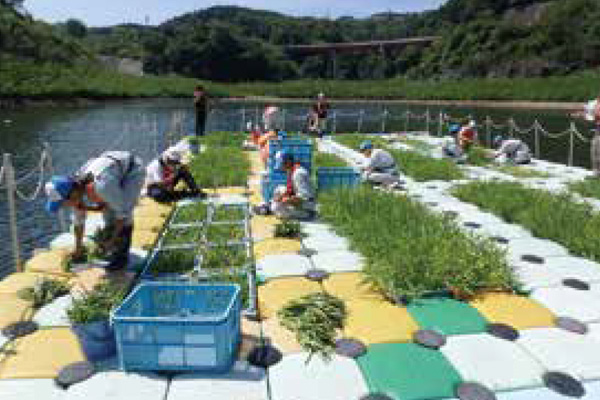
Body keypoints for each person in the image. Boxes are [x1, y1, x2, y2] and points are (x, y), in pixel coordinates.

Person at [44, 151, 145, 270]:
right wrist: (78, 249)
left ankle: (121, 257)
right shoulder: (76, 188)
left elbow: (122, 215)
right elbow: (78, 222)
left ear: (72, 194)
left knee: (124, 211)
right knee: (108, 216)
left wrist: (112, 240)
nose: (63, 207)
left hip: (131, 171)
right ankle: (114, 250)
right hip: (112, 173)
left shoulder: (102, 186)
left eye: (62, 203)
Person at [254, 150, 316, 220]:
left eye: (282, 163)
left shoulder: (298, 174)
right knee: (279, 189)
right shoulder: (291, 170)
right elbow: (291, 190)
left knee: (276, 208)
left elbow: (304, 197)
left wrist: (287, 200)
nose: (281, 167)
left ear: (288, 162)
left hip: (307, 209)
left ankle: (268, 209)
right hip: (300, 203)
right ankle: (268, 205)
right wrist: (282, 197)